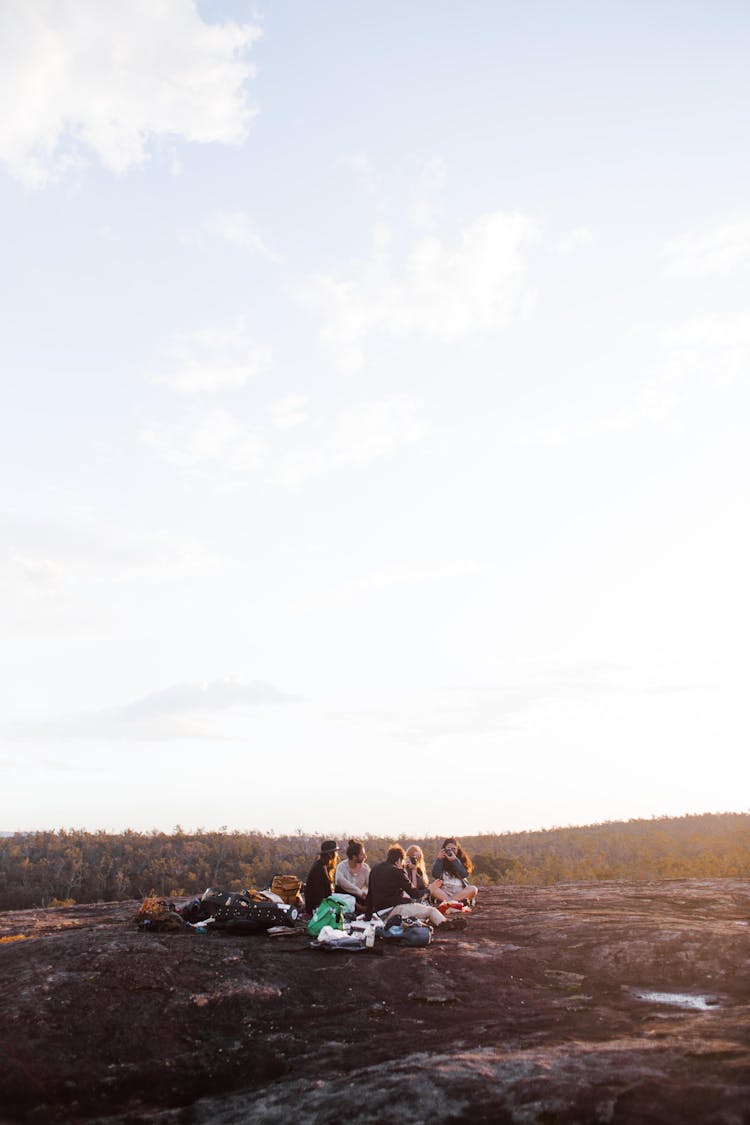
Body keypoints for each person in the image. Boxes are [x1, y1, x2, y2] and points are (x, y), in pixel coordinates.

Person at [365, 844, 423, 918]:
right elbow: (414, 894)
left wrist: (368, 916)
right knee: (430, 911)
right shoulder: (397, 871)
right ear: (399, 860)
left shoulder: (375, 868)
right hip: (390, 909)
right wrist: (429, 890)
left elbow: (370, 895)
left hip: (377, 909)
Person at [429, 837, 478, 905]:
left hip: (460, 892)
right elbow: (435, 875)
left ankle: (449, 902)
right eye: (448, 849)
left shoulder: (461, 860)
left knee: (473, 889)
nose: (451, 851)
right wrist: (439, 859)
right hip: (444, 891)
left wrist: (455, 860)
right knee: (431, 887)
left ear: (458, 849)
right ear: (444, 849)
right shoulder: (441, 860)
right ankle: (454, 903)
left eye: (454, 849)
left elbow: (464, 874)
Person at [304, 839, 338, 915]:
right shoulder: (319, 869)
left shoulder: (322, 866)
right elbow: (319, 896)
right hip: (316, 909)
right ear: (331, 854)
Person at [334, 839, 370, 909]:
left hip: (359, 898)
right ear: (354, 857)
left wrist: (365, 893)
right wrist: (359, 892)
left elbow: (371, 885)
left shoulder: (365, 868)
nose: (365, 857)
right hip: (345, 898)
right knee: (338, 889)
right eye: (362, 854)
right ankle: (359, 908)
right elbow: (340, 881)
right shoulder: (342, 866)